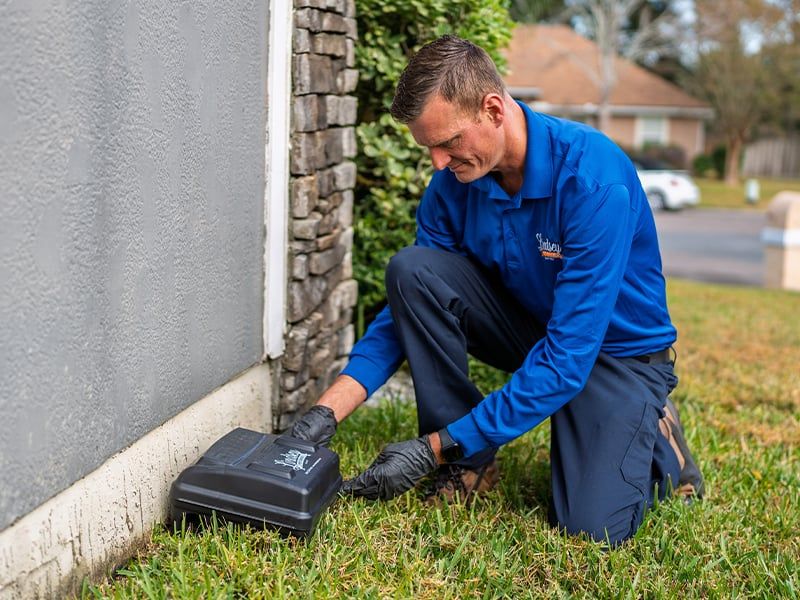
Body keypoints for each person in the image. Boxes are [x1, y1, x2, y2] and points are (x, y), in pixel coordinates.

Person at [288, 34, 703, 545]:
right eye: (429, 148)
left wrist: (429, 447)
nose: (439, 163)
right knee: (412, 270)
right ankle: (470, 462)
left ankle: (659, 430)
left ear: (492, 109)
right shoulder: (456, 184)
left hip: (614, 356)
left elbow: (570, 356)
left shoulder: (592, 181)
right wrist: (324, 413)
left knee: (590, 530)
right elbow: (408, 309)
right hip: (537, 329)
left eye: (448, 142)